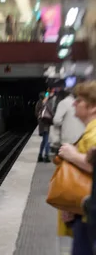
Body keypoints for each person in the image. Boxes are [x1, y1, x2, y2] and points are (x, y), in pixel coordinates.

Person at [56, 81, 96, 255]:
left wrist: (73, 156)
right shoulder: (90, 131)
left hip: (88, 214)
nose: (73, 103)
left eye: (78, 100)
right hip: (84, 210)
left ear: (92, 107)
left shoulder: (94, 134)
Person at [51, 90, 85, 155]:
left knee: (68, 162)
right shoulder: (83, 102)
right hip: (82, 138)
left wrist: (64, 123)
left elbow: (56, 120)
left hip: (69, 139)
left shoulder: (64, 103)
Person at [36, 92, 54, 162]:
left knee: (44, 140)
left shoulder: (38, 103)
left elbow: (36, 113)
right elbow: (51, 112)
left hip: (41, 124)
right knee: (47, 140)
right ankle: (46, 156)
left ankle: (40, 155)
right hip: (46, 124)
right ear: (44, 97)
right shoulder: (46, 103)